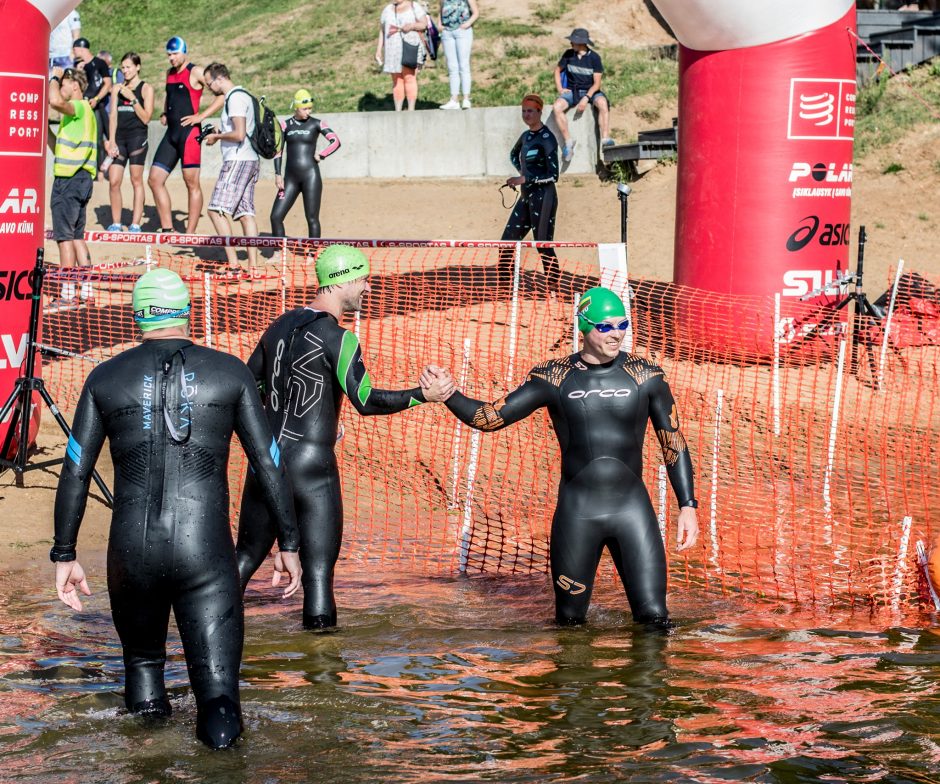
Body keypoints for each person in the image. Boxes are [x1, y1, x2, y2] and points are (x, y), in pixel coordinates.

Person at [51, 268, 302, 749]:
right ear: (187, 310)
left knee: (143, 676)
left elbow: (76, 471)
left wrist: (64, 553)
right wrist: (288, 543)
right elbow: (270, 465)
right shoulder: (230, 372)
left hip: (131, 554)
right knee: (218, 698)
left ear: (137, 315)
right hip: (204, 553)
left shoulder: (105, 377)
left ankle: (146, 764)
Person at [427, 287, 699, 628]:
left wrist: (687, 505)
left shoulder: (647, 376)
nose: (616, 333)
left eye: (622, 324)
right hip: (578, 515)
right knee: (569, 626)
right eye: (605, 326)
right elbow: (489, 418)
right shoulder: (553, 377)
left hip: (633, 512)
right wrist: (449, 394)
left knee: (655, 622)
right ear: (584, 327)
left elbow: (673, 442)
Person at [235, 244, 456, 629]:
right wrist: (424, 395)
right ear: (345, 280)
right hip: (311, 468)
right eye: (364, 280)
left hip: (266, 462)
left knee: (242, 561)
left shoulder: (279, 326)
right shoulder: (340, 338)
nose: (367, 289)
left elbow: (246, 381)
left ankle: (194, 635)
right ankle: (322, 674)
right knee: (318, 575)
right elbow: (367, 401)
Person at [148, 37, 223, 234]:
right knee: (154, 179)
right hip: (171, 134)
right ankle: (167, 229)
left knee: (191, 183)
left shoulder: (195, 71)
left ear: (184, 52)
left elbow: (221, 95)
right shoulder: (169, 73)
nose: (171, 58)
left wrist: (201, 116)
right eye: (169, 55)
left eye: (175, 54)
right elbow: (169, 94)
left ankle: (189, 233)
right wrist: (165, 112)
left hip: (189, 134)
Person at [201, 63, 261, 269]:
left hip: (237, 160)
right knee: (245, 213)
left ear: (220, 79)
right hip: (250, 159)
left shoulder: (234, 98)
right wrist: (220, 131)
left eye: (209, 83)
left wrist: (216, 136)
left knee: (215, 210)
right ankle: (253, 266)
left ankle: (234, 264)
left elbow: (239, 134)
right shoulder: (244, 95)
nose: (209, 88)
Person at [47, 66, 96, 311]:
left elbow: (54, 99)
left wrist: (53, 77)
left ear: (74, 85)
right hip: (81, 179)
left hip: (69, 182)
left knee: (64, 238)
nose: (61, 87)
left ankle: (67, 294)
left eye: (64, 83)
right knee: (76, 236)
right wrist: (45, 130)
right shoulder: (81, 114)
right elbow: (59, 149)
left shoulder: (78, 107)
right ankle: (86, 291)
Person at [499, 93, 560, 289]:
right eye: (524, 111)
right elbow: (513, 155)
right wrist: (523, 172)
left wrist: (526, 178)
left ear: (540, 112)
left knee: (542, 244)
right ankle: (505, 288)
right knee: (506, 242)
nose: (526, 115)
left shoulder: (547, 138)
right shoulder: (526, 136)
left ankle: (554, 288)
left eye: (530, 111)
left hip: (544, 197)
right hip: (526, 197)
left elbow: (554, 175)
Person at [270, 89, 341, 239]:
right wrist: (277, 174)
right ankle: (278, 253)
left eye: (310, 108)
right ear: (296, 107)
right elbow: (278, 150)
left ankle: (311, 253)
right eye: (304, 109)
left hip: (311, 176)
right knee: (276, 216)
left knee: (312, 218)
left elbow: (336, 141)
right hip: (290, 179)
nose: (308, 112)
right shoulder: (285, 125)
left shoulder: (317, 123)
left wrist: (322, 154)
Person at [105, 53, 154, 232]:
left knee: (136, 180)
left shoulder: (146, 88)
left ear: (138, 67)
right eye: (123, 67)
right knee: (114, 180)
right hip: (119, 138)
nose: (125, 71)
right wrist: (110, 141)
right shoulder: (117, 88)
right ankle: (116, 222)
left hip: (137, 138)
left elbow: (146, 118)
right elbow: (113, 116)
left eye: (129, 67)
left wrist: (132, 98)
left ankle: (135, 223)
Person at [552, 28, 615, 161]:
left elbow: (597, 84)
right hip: (573, 91)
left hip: (591, 91)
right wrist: (560, 89)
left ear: (581, 43)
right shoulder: (568, 54)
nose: (571, 44)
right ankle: (568, 143)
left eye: (573, 41)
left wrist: (586, 98)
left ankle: (605, 139)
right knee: (557, 107)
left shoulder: (594, 58)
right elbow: (557, 70)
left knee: (603, 103)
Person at [377, 0, 429, 111]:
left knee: (409, 77)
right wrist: (378, 50)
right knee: (397, 80)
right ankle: (398, 111)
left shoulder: (414, 6)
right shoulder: (387, 9)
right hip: (392, 50)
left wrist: (412, 26)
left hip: (409, 47)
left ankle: (411, 110)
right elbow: (382, 30)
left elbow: (424, 24)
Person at [71, 37, 112, 175]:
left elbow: (107, 84)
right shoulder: (79, 66)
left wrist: (96, 98)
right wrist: (78, 71)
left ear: (81, 48)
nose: (74, 52)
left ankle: (99, 171)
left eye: (75, 49)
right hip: (82, 106)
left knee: (98, 138)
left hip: (97, 107)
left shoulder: (100, 63)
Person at [437, 0, 478, 110]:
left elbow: (476, 12)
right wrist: (439, 24)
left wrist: (467, 24)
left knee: (464, 65)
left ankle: (466, 98)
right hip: (447, 32)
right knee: (452, 66)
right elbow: (440, 10)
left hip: (463, 31)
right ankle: (454, 99)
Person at [48, 9, 81, 75]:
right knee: (50, 83)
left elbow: (76, 35)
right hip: (51, 57)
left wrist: (72, 53)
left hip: (66, 56)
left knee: (66, 81)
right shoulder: (51, 12)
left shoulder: (72, 13)